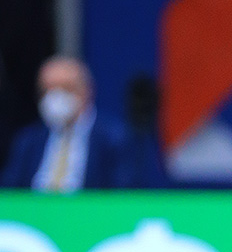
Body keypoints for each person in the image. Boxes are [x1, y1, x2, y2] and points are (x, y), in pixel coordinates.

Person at [1, 56, 135, 191]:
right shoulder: (28, 140)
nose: (55, 97)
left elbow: (122, 192)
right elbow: (9, 190)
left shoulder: (115, 138)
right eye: (47, 90)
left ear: (87, 90)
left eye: (65, 88)